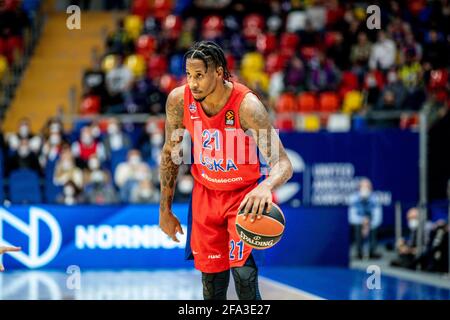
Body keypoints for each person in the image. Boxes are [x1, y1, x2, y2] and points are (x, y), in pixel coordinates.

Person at [159, 41, 293, 300]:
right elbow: (170, 155)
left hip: (242, 199)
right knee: (211, 284)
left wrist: (265, 186)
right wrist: (165, 210)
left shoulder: (247, 106)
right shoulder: (179, 100)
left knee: (244, 277)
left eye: (199, 75)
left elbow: (283, 163)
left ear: (219, 72)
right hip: (205, 197)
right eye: (188, 75)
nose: (192, 82)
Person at [348, 178, 383, 259]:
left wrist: (368, 223)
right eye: (362, 187)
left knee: (374, 228)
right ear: (359, 188)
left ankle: (372, 251)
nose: (365, 189)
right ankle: (359, 252)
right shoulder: (353, 198)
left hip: (371, 223)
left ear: (371, 188)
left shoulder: (375, 198)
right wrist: (362, 222)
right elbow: (351, 217)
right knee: (357, 227)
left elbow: (378, 217)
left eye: (367, 187)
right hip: (359, 223)